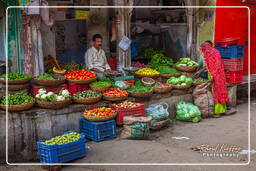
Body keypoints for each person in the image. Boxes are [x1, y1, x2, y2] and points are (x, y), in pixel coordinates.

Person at [194, 40, 229, 116]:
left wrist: (213, 76)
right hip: (218, 75)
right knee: (220, 91)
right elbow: (208, 65)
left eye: (203, 49)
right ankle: (223, 109)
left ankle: (218, 112)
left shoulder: (211, 54)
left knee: (217, 92)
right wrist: (199, 71)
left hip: (216, 75)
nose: (203, 52)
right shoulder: (213, 52)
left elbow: (216, 66)